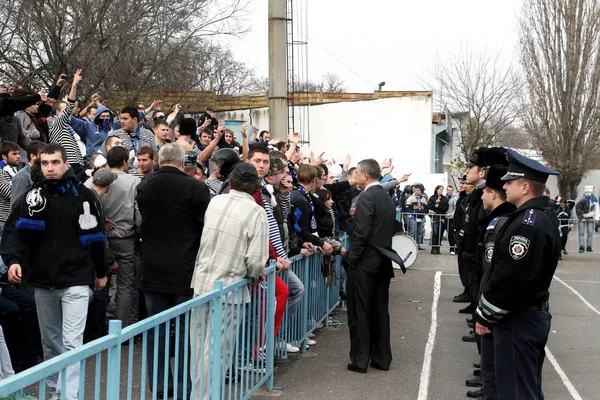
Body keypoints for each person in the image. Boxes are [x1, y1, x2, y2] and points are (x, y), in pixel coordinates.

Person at [1, 143, 107, 400]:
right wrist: (14, 260)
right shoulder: (32, 196)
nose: (49, 168)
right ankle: (53, 393)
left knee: (72, 344)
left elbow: (96, 236)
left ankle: (68, 396)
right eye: (45, 163)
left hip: (77, 280)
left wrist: (101, 272)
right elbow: (15, 232)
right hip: (43, 282)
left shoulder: (84, 195)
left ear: (66, 164)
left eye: (55, 162)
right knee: (50, 345)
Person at [475, 148, 560, 400]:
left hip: (518, 319)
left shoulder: (527, 223)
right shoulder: (538, 216)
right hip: (528, 315)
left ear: (525, 187)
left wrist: (484, 313)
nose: (505, 186)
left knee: (515, 391)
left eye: (510, 182)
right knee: (526, 388)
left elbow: (510, 277)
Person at [136, 143, 210, 398]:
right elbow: (203, 230)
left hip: (152, 268)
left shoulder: (144, 185)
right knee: (184, 336)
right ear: (182, 161)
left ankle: (160, 389)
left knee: (156, 333)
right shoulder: (196, 187)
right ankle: (182, 389)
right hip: (185, 270)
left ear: (158, 160)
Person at [190, 163, 268, 399]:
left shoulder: (215, 201)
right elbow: (255, 262)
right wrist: (255, 273)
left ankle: (199, 394)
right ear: (255, 187)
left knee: (199, 346)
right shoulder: (256, 212)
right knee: (218, 350)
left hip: (202, 282)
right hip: (229, 288)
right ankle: (205, 396)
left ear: (230, 181)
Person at [342, 158, 403, 374]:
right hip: (383, 261)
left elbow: (361, 234)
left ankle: (360, 360)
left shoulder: (367, 197)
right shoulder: (386, 198)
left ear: (365, 175)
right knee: (379, 311)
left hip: (365, 262)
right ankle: (381, 358)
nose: (355, 177)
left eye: (357, 173)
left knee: (359, 312)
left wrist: (351, 259)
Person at [470, 165, 516, 399]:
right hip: (492, 302)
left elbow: (494, 273)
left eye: (485, 191)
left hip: (497, 308)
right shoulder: (497, 220)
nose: (481, 195)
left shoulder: (501, 223)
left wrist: (484, 312)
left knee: (496, 371)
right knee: (492, 366)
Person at [10, 140, 45, 209]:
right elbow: (15, 205)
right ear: (32, 156)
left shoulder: (44, 173)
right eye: (42, 155)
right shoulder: (22, 176)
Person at [0, 142, 21, 235]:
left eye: (19, 153)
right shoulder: (1, 172)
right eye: (14, 154)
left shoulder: (14, 170)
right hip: (3, 220)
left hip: (13, 218)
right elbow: (10, 193)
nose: (18, 156)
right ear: (4, 156)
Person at [427, 185, 449, 254]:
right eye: (440, 189)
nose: (441, 190)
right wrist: (434, 205)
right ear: (436, 190)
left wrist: (439, 206)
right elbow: (429, 206)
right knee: (435, 232)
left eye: (442, 189)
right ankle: (433, 248)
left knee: (440, 233)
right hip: (434, 217)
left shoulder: (444, 198)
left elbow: (446, 208)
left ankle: (438, 248)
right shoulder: (432, 197)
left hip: (441, 217)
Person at [575, 185, 597, 252]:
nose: (594, 191)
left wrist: (596, 217)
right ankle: (581, 247)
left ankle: (589, 247)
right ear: (590, 191)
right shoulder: (583, 199)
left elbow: (596, 208)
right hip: (582, 218)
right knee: (581, 232)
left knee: (590, 232)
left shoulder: (595, 199)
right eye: (593, 190)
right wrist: (581, 217)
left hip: (590, 218)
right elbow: (578, 208)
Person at [445, 185, 458, 254]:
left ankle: (452, 249)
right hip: (444, 218)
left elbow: (456, 208)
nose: (449, 191)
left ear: (452, 191)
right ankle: (436, 248)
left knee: (451, 234)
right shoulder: (444, 197)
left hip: (451, 218)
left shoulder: (454, 198)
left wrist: (452, 213)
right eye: (448, 190)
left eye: (450, 190)